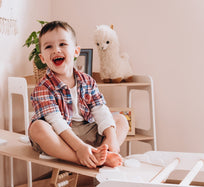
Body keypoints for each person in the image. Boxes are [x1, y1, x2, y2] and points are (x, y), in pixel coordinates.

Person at [29, 21, 129, 169]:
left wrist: (111, 137)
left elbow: (100, 110)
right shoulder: (43, 87)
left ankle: (103, 151)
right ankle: (82, 158)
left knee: (121, 120)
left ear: (76, 52)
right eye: (48, 46)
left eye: (62, 44)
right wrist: (79, 147)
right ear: (43, 58)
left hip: (86, 129)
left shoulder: (87, 81)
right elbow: (56, 122)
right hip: (59, 135)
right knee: (37, 127)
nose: (56, 50)